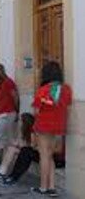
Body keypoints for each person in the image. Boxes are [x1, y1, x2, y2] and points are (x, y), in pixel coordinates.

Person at [31, 61, 72, 197]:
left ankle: (43, 187)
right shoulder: (66, 89)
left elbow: (36, 111)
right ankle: (52, 187)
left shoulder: (43, 90)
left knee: (44, 155)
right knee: (50, 155)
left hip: (44, 126)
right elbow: (67, 106)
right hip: (58, 126)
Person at [0, 113, 35, 182]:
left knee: (11, 149)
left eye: (20, 120)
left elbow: (32, 146)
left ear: (24, 122)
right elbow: (17, 142)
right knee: (10, 148)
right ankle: (2, 170)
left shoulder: (32, 133)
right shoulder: (22, 131)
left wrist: (18, 144)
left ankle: (2, 171)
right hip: (22, 150)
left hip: (29, 152)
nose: (18, 122)